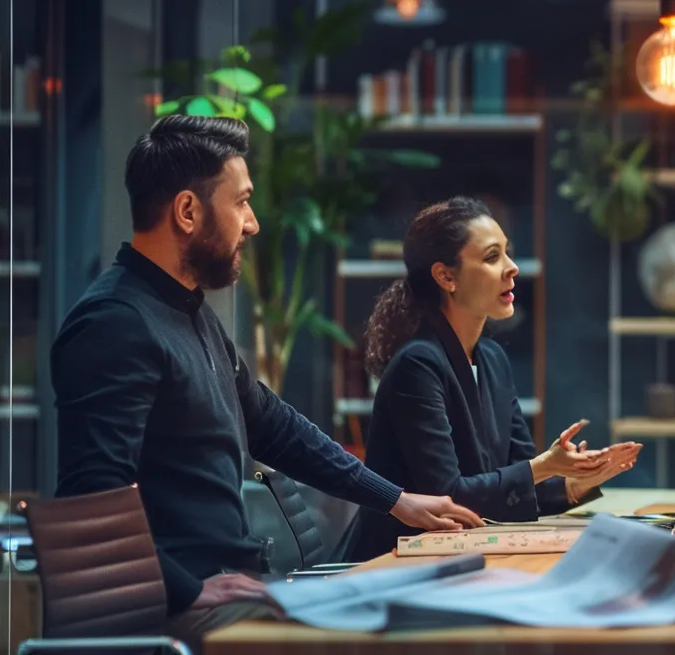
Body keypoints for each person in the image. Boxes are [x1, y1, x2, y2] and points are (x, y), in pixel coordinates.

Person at [52, 115, 482, 649]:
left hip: (232, 586)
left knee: (433, 611)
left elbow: (274, 426)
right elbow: (91, 500)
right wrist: (187, 590)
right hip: (170, 613)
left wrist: (395, 499)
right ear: (188, 211)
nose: (252, 223)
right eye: (242, 202)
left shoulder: (190, 314)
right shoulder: (114, 325)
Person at [339, 197, 643, 563]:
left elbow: (509, 487)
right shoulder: (417, 366)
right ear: (446, 276)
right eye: (491, 257)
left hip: (457, 558)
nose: (512, 268)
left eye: (508, 253)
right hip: (388, 565)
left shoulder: (494, 361)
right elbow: (448, 496)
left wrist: (577, 482)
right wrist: (545, 466)